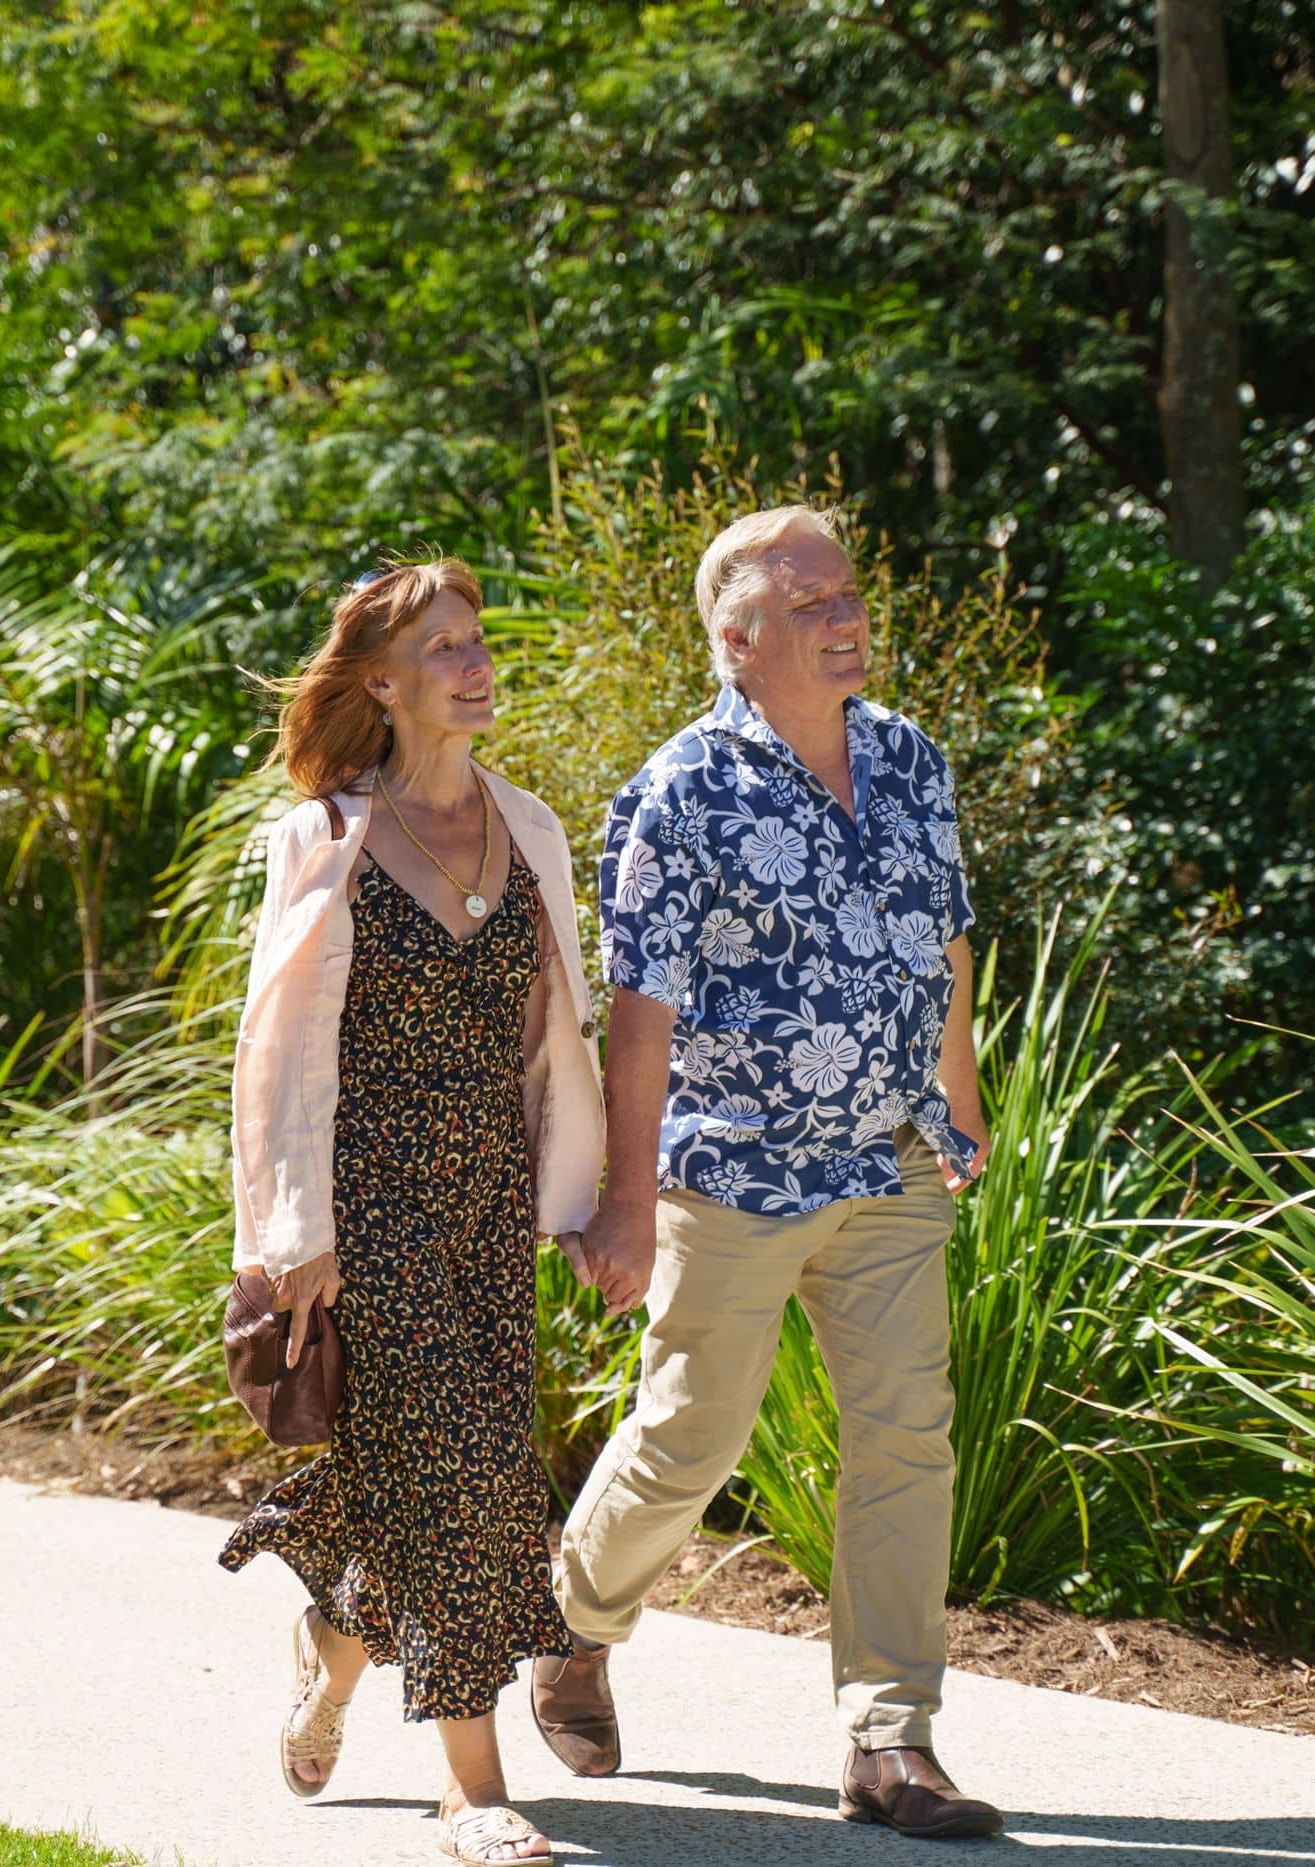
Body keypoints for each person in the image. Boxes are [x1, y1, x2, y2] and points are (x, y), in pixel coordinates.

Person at [532, 506, 1006, 1839]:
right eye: (807, 606)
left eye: (847, 593)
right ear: (735, 642)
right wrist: (628, 1194)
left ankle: (890, 1743)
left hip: (889, 1158)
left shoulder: (910, 760)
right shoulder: (679, 792)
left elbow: (945, 943)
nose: (844, 617)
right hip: (729, 1170)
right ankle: (571, 1621)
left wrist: (958, 1108)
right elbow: (640, 1011)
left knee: (907, 1437)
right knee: (693, 1438)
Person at [219, 557, 604, 1867]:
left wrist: (585, 1205)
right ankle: (472, 1789)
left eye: (478, 640)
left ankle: (330, 1660)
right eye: (443, 648)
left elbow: (559, 1042)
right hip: (365, 1200)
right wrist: (296, 1239)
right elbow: (275, 1054)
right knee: (463, 1479)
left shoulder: (532, 828)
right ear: (381, 681)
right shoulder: (321, 836)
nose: (475, 662)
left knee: (430, 1478)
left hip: (487, 1206)